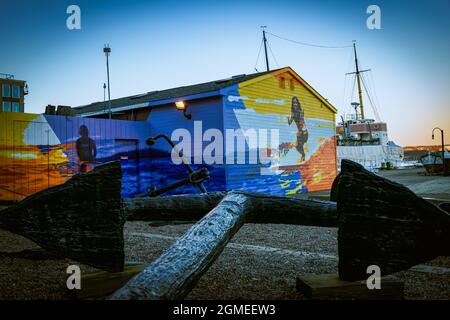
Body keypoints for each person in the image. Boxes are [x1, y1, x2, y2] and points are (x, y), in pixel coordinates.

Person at [287, 96, 308, 161]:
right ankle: (303, 156)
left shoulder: (300, 110)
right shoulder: (293, 113)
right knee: (298, 146)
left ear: (298, 103)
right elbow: (290, 123)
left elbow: (302, 121)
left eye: (296, 102)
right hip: (300, 131)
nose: (295, 104)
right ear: (292, 104)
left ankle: (303, 156)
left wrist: (302, 115)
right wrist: (289, 118)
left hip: (304, 131)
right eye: (294, 103)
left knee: (299, 146)